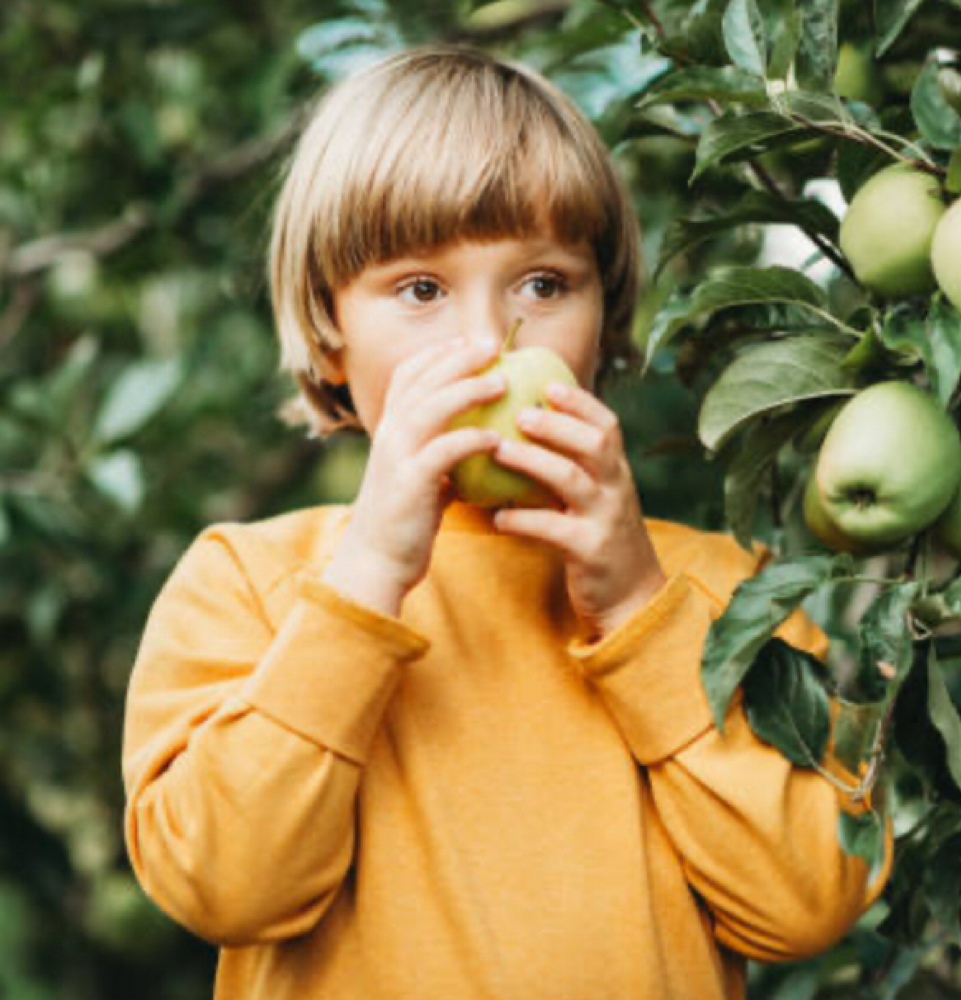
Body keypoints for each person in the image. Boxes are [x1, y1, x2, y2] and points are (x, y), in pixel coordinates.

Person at [121, 43, 893, 1000]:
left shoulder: (726, 589)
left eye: (542, 284)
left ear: (603, 317)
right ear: (328, 330)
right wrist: (365, 580)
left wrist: (640, 612)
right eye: (420, 290)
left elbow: (808, 901)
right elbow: (224, 885)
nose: (489, 344)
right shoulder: (247, 584)